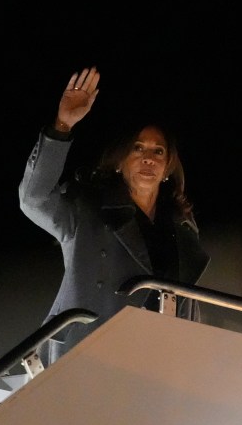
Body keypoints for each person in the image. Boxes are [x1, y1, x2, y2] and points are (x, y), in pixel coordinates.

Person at [18, 66, 210, 365]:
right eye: (138, 148)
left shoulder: (182, 224)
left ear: (168, 166)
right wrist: (62, 127)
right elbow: (34, 199)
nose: (148, 157)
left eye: (158, 151)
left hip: (161, 359)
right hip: (90, 353)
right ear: (120, 160)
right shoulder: (88, 209)